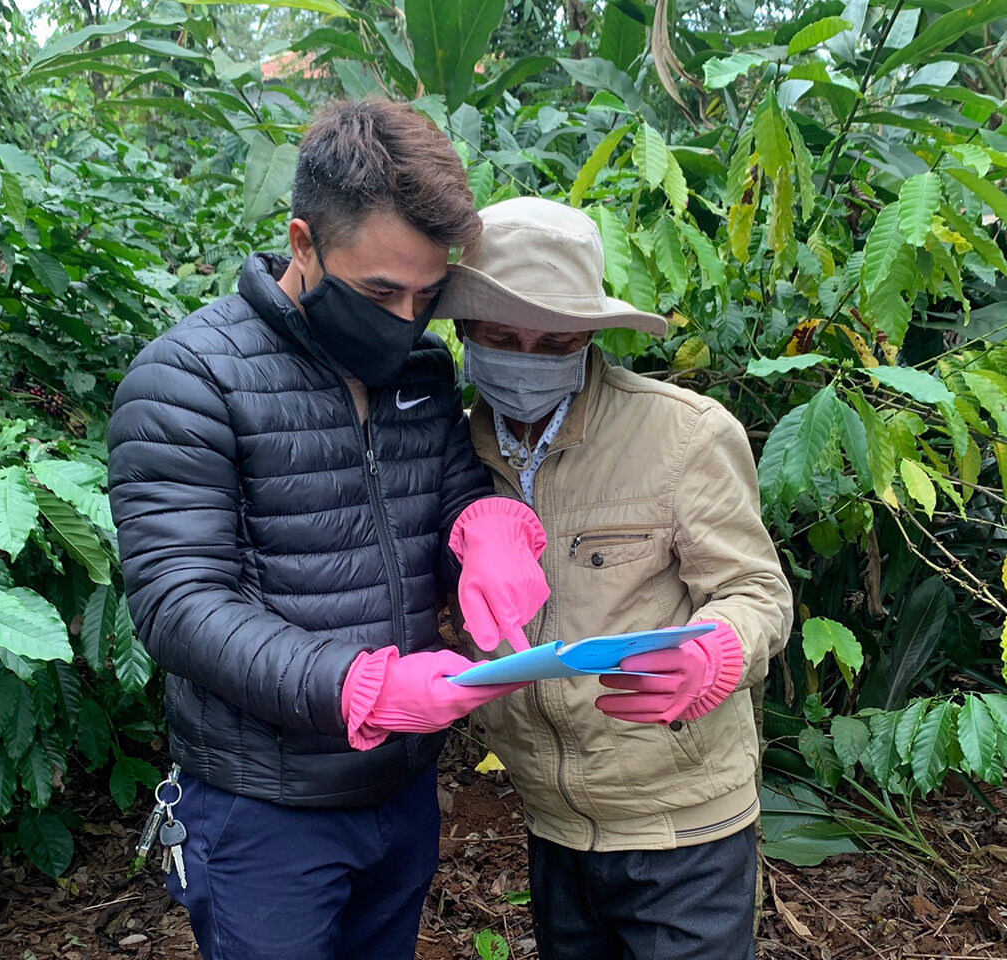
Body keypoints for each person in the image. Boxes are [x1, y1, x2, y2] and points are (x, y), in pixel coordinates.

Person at [106, 101, 550, 960]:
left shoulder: (420, 366)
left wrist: (490, 527)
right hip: (265, 804)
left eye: (428, 294)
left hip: (401, 782)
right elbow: (177, 601)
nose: (405, 316)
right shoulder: (189, 378)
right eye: (381, 291)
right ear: (302, 242)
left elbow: (452, 485)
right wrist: (361, 689)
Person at [435, 197, 793, 960]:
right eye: (503, 337)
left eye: (554, 340)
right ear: (463, 330)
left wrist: (718, 652)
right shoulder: (451, 451)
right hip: (550, 822)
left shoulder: (682, 435)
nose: (527, 356)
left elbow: (757, 593)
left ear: (590, 337)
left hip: (683, 821)